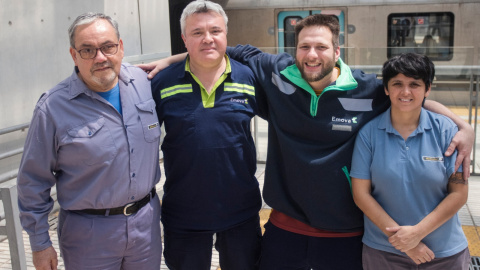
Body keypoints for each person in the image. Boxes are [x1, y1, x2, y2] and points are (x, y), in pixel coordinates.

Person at [139, 13, 473, 270]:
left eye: (321, 47)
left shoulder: (366, 88)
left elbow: (410, 96)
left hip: (346, 229)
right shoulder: (274, 73)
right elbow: (214, 52)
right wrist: (170, 62)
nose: (312, 55)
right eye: (304, 47)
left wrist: (462, 126)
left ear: (337, 51)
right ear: (293, 50)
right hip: (286, 225)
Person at [17, 12, 162, 270]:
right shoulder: (52, 108)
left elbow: (202, 54)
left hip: (146, 228)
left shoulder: (143, 81)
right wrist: (40, 243)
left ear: (121, 46)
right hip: (89, 235)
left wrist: (173, 58)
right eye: (87, 50)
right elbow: (32, 180)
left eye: (108, 46)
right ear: (74, 55)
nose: (100, 57)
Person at [150, 1, 262, 269]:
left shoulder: (250, 78)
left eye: (215, 31)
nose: (208, 39)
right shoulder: (162, 82)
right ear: (184, 39)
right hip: (184, 212)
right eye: (197, 33)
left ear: (226, 35)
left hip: (241, 211)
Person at [350, 53, 470, 269]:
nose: (405, 92)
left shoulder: (448, 132)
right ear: (386, 88)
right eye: (397, 83)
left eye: (414, 84)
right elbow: (361, 195)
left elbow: (459, 193)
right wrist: (406, 244)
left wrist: (417, 233)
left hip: (443, 254)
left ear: (428, 88)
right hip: (384, 251)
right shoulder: (369, 134)